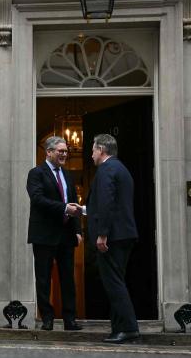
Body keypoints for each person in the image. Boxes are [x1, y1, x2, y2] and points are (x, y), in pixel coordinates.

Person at [81, 134, 139, 343]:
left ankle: (129, 328)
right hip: (124, 234)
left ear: (102, 150)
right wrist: (84, 210)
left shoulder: (106, 169)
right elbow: (109, 203)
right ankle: (118, 329)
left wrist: (102, 234)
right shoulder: (121, 169)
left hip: (112, 237)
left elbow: (107, 203)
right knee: (117, 282)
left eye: (93, 149)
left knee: (113, 284)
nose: (91, 154)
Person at [26, 136, 83, 331]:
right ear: (48, 152)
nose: (65, 154)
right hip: (44, 234)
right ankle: (47, 319)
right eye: (60, 151)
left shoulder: (67, 175)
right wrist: (64, 209)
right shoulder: (36, 173)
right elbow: (38, 199)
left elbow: (73, 202)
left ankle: (70, 319)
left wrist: (77, 230)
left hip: (66, 234)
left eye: (66, 151)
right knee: (43, 278)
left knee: (68, 278)